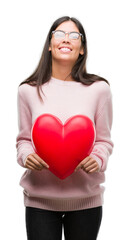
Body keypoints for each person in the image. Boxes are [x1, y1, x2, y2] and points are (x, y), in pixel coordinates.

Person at [16, 16, 113, 240]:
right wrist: (26, 155)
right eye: (59, 34)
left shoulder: (100, 89)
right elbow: (23, 140)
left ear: (81, 48)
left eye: (74, 35)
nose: (66, 40)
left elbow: (104, 141)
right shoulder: (28, 91)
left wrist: (97, 159)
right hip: (40, 202)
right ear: (50, 45)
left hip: (85, 202)